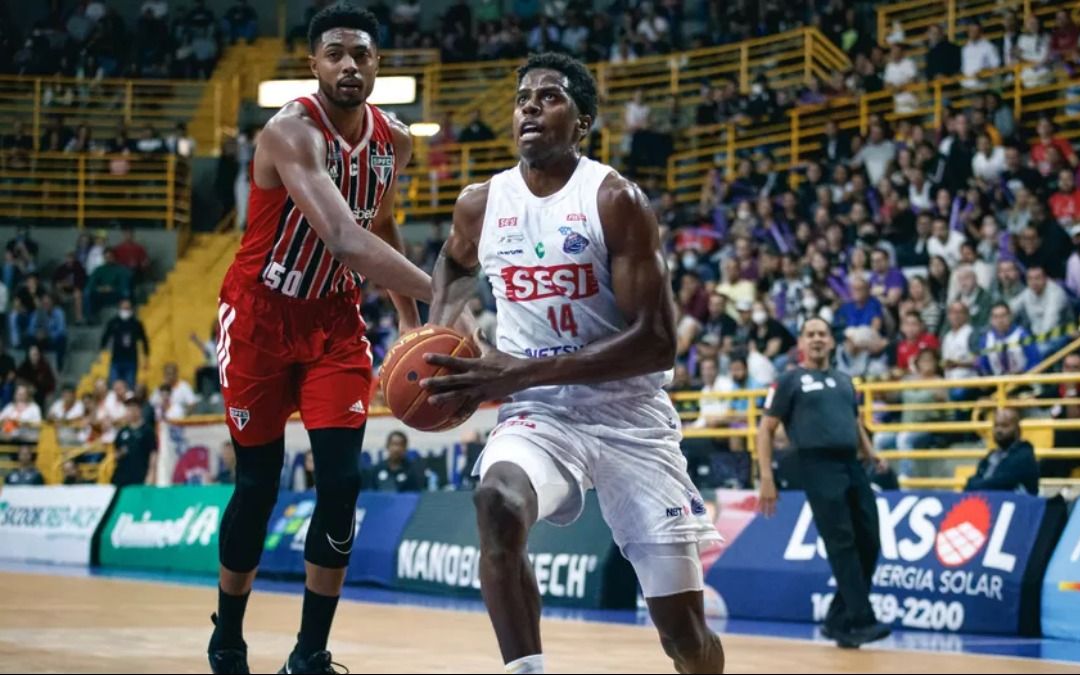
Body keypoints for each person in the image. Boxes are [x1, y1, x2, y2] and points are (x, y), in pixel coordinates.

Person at [421, 52, 723, 674]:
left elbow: (657, 343)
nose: (529, 105)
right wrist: (439, 329)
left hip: (629, 417)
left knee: (684, 637)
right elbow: (454, 263)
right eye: (522, 97)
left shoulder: (615, 200)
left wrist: (518, 372)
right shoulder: (481, 204)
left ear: (582, 122)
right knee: (497, 501)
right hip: (541, 414)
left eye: (549, 97)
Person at [206, 5, 435, 674]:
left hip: (334, 321)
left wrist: (415, 320)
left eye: (361, 54)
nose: (349, 65)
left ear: (377, 64)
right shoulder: (289, 133)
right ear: (313, 64)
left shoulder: (395, 140)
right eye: (335, 53)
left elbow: (381, 222)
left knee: (341, 482)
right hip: (258, 318)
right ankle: (228, 635)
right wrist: (442, 289)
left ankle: (310, 652)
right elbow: (342, 237)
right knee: (257, 486)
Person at [756, 317, 890, 649]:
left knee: (870, 540)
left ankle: (837, 619)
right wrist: (766, 478)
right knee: (841, 540)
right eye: (810, 334)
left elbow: (854, 421)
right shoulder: (789, 381)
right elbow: (765, 429)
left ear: (831, 342)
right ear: (801, 343)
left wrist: (871, 453)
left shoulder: (845, 381)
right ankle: (861, 619)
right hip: (817, 465)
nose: (817, 339)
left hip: (853, 464)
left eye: (822, 334)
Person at [965, 408, 1039, 494]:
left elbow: (1002, 483)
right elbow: (975, 479)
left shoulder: (1024, 455)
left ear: (1017, 430)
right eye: (996, 426)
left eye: (1005, 426)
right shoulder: (991, 455)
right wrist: (972, 484)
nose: (999, 430)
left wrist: (974, 485)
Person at [99, 299, 148, 387]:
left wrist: (146, 356)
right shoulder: (113, 322)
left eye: (127, 308)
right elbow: (105, 337)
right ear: (119, 308)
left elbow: (144, 340)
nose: (125, 310)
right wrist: (102, 351)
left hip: (131, 360)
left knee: (129, 386)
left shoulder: (136, 323)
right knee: (113, 385)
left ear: (131, 309)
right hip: (116, 360)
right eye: (123, 308)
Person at [111, 396, 157, 488]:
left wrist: (151, 474)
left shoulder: (147, 431)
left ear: (138, 410)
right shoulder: (122, 431)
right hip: (122, 477)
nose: (129, 412)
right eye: (127, 409)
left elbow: (153, 454)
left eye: (131, 409)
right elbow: (116, 453)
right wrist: (120, 453)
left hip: (140, 476)